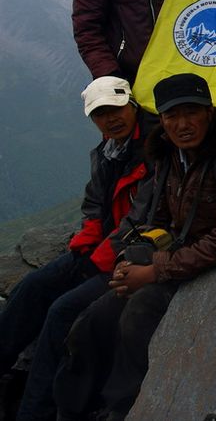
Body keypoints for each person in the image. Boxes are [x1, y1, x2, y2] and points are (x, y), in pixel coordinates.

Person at [52, 73, 216, 420]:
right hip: (182, 260)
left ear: (209, 112)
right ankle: (71, 411)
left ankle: (123, 407)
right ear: (162, 118)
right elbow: (153, 218)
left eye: (192, 113)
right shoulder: (170, 156)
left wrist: (156, 270)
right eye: (172, 116)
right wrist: (129, 259)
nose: (182, 125)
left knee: (140, 311)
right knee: (93, 319)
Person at [0, 77, 152, 421]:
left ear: (131, 104)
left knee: (62, 311)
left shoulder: (156, 149)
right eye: (100, 114)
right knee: (31, 287)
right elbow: (95, 204)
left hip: (133, 256)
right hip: (100, 250)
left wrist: (100, 257)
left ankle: (33, 412)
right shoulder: (109, 150)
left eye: (115, 109)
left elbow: (146, 215)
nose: (110, 119)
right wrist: (86, 239)